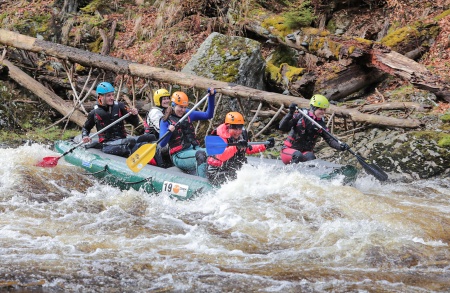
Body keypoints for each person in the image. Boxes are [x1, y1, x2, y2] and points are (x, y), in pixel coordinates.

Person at [82, 81, 155, 157]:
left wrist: (134, 115)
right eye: (108, 96)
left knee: (150, 137)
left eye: (113, 95)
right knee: (130, 142)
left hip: (122, 140)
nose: (112, 98)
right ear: (100, 97)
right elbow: (86, 128)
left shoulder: (120, 106)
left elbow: (135, 123)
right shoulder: (94, 112)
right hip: (108, 144)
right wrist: (85, 136)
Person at [159, 88, 216, 177]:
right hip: (179, 155)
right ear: (173, 105)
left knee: (216, 152)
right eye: (180, 107)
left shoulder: (188, 114)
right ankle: (202, 184)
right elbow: (162, 144)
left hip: (195, 149)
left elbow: (209, 115)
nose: (183, 110)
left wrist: (212, 97)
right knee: (201, 155)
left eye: (185, 107)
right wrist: (169, 131)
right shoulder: (165, 120)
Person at [206, 112, 275, 186]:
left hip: (234, 168)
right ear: (228, 126)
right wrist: (236, 147)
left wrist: (265, 146)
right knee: (239, 177)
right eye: (235, 128)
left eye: (240, 128)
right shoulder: (218, 137)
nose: (238, 132)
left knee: (256, 173)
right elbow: (221, 156)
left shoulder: (242, 135)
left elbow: (249, 148)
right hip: (216, 172)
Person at [279, 94, 349, 164]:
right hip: (288, 151)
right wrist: (290, 113)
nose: (323, 112)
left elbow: (330, 140)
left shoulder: (321, 124)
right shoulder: (301, 115)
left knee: (311, 157)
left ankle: (305, 174)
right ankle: (291, 173)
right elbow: (282, 127)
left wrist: (341, 146)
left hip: (304, 152)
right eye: (320, 109)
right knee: (298, 155)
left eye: (324, 109)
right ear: (313, 108)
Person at [143, 88, 173, 167]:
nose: (167, 101)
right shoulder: (155, 112)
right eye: (164, 99)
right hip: (152, 141)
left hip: (160, 140)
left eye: (167, 98)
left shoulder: (165, 110)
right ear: (158, 100)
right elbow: (161, 129)